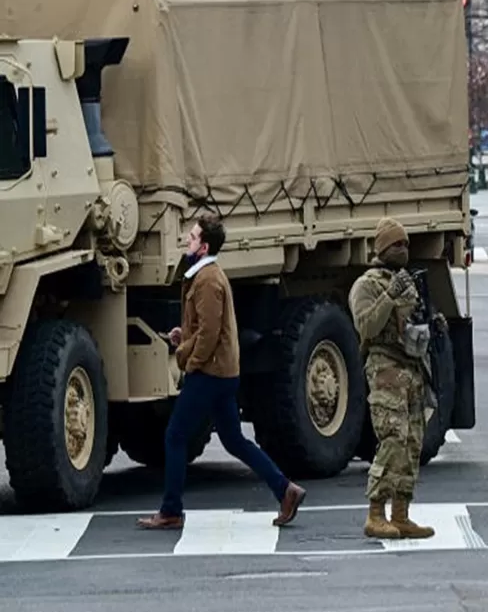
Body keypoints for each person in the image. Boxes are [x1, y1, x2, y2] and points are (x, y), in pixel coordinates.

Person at [137, 214, 306, 530]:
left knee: (175, 436)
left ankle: (171, 510)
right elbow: (206, 328)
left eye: (192, 238)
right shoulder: (205, 276)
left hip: (210, 373)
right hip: (221, 372)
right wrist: (184, 335)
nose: (187, 241)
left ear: (203, 247)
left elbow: (210, 334)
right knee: (233, 440)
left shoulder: (207, 280)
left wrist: (188, 359)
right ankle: (286, 490)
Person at [348, 217, 437, 540]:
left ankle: (401, 514)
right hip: (385, 368)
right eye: (396, 244)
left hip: (413, 369)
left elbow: (414, 320)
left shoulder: (407, 281)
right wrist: (389, 296)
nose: (403, 249)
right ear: (382, 248)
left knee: (412, 443)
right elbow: (367, 326)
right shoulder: (367, 285)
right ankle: (376, 513)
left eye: (406, 244)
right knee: (392, 440)